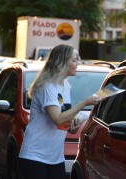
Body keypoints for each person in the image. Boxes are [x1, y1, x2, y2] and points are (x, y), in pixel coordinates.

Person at [19, 44, 100, 179]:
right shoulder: (48, 86)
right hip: (35, 156)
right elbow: (57, 119)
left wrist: (72, 127)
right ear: (62, 62)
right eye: (74, 60)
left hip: (55, 157)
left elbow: (61, 123)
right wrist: (85, 102)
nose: (78, 64)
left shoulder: (65, 85)